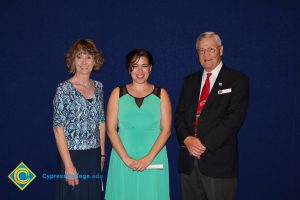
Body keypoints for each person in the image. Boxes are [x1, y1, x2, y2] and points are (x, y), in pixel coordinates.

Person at [175, 32, 249, 200]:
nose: (206, 55)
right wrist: (187, 139)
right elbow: (179, 115)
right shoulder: (189, 81)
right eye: (201, 50)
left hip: (219, 163)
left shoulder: (237, 80)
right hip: (188, 163)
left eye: (211, 49)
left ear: (221, 50)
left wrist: (202, 145)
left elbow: (234, 119)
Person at [105, 49, 172, 200]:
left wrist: (148, 158)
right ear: (129, 69)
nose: (140, 71)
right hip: (123, 158)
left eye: (144, 66)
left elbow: (166, 130)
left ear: (151, 68)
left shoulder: (162, 94)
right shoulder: (117, 93)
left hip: (154, 158)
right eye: (135, 66)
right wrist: (127, 159)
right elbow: (110, 129)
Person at [53, 39, 106, 200]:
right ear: (73, 60)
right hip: (72, 156)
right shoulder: (63, 89)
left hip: (94, 156)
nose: (84, 62)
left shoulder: (99, 87)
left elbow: (101, 122)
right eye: (79, 56)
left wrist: (103, 155)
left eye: (88, 57)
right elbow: (57, 127)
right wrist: (68, 165)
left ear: (95, 60)